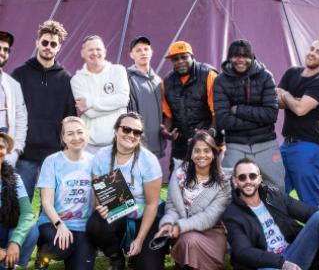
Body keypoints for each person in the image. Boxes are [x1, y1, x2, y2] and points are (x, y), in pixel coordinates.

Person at [223, 158, 319, 270]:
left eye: (252, 176)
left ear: (260, 179)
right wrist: (281, 263)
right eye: (242, 177)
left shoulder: (273, 196)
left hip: (294, 253)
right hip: (266, 264)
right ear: (235, 181)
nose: (248, 181)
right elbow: (243, 252)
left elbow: (308, 212)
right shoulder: (232, 213)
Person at [86, 112, 164, 270]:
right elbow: (98, 194)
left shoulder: (148, 160)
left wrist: (140, 239)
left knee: (149, 267)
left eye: (137, 132)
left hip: (145, 215)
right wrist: (100, 206)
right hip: (118, 212)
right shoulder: (102, 156)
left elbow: (152, 204)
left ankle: (136, 251)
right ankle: (116, 258)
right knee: (96, 224)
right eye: (126, 129)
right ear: (116, 130)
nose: (131, 135)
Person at [12, 20, 76, 200]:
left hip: (54, 153)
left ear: (59, 47)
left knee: (52, 206)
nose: (48, 47)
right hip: (25, 152)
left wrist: (66, 148)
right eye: (45, 42)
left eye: (53, 44)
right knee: (20, 205)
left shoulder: (66, 79)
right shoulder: (19, 74)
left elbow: (70, 116)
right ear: (37, 43)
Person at [213, 39, 284, 190]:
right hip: (235, 145)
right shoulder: (220, 81)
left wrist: (238, 110)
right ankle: (234, 215)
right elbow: (223, 119)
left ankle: (276, 214)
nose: (240, 60)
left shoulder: (266, 77)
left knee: (277, 187)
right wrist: (258, 120)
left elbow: (271, 114)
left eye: (245, 56)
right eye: (236, 56)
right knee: (226, 188)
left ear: (252, 57)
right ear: (229, 58)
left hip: (266, 144)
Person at [156, 130, 231, 270]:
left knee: (189, 240)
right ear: (190, 154)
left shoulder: (223, 182)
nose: (202, 155)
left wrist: (179, 226)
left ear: (214, 154)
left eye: (206, 151)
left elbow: (209, 217)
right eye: (197, 151)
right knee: (188, 239)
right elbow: (172, 208)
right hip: (183, 232)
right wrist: (167, 223)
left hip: (212, 231)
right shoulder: (178, 175)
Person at [277, 36, 319, 206]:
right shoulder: (291, 73)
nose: (312, 54)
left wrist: (286, 95)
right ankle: (283, 231)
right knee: (275, 192)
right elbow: (277, 103)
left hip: (307, 146)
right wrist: (294, 101)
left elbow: (300, 110)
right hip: (286, 145)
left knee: (310, 200)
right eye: (312, 49)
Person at [35, 116, 95, 270]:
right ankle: (43, 253)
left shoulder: (97, 162)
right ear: (63, 138)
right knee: (63, 248)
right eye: (70, 134)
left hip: (82, 226)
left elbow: (101, 199)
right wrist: (60, 225)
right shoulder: (52, 161)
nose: (76, 137)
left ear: (87, 134)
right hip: (53, 222)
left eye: (80, 132)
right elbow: (46, 203)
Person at [161, 41, 220, 169]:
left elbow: (218, 109)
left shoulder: (209, 75)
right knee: (176, 184)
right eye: (175, 59)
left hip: (206, 141)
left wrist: (211, 132)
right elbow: (168, 114)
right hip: (180, 144)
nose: (180, 61)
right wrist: (167, 131)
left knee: (208, 183)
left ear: (192, 57)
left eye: (184, 57)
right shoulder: (166, 82)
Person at [71, 35, 130, 154]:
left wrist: (90, 102)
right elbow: (89, 113)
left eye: (98, 49)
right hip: (89, 147)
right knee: (91, 174)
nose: (95, 53)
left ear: (105, 52)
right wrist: (115, 105)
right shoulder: (77, 79)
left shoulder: (118, 71)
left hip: (117, 144)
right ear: (82, 53)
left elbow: (123, 100)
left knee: (117, 174)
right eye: (90, 49)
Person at [0, 132, 38, 269]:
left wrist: (15, 242)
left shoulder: (14, 178)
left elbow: (27, 213)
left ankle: (11, 264)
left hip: (4, 230)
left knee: (31, 229)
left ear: (6, 151)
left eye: (1, 147)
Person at [127, 36, 165, 158]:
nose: (143, 52)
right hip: (138, 147)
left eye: (146, 49)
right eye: (138, 50)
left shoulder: (158, 81)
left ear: (151, 52)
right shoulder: (127, 79)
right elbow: (130, 115)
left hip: (157, 146)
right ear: (131, 55)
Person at [0, 31, 27, 167]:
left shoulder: (13, 85)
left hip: (6, 152)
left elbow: (21, 119)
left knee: (6, 188)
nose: (2, 52)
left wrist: (15, 151)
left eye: (6, 50)